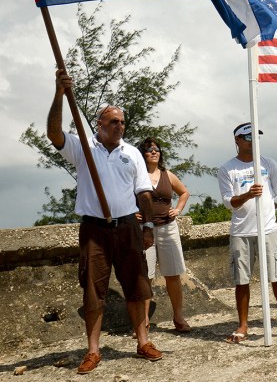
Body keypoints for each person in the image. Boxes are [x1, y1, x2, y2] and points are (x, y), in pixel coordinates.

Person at [47, 69, 162, 374]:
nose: (120, 126)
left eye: (123, 122)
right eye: (114, 122)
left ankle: (143, 342)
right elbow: (54, 133)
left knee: (137, 286)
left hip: (127, 227)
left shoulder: (132, 154)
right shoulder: (84, 147)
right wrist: (59, 93)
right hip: (94, 229)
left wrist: (148, 227)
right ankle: (94, 350)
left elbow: (144, 193)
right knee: (93, 290)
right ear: (99, 124)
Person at [217, 122, 277, 343]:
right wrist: (247, 196)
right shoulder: (227, 169)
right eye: (248, 137)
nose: (253, 141)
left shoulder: (269, 163)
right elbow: (229, 203)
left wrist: (266, 209)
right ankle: (243, 325)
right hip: (241, 232)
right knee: (242, 280)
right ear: (237, 140)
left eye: (256, 137)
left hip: (268, 230)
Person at [136, 137, 191, 334]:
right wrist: (131, 212)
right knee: (145, 276)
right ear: (142, 154)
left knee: (173, 275)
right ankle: (143, 322)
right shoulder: (136, 174)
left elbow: (184, 192)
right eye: (149, 149)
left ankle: (178, 316)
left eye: (157, 149)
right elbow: (123, 195)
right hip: (144, 229)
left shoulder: (167, 174)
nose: (154, 152)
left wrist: (177, 209)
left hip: (168, 229)